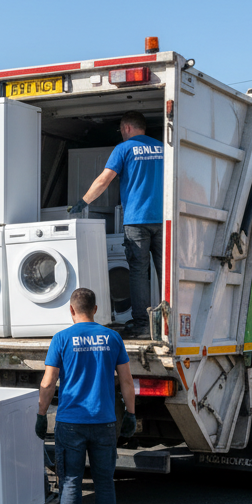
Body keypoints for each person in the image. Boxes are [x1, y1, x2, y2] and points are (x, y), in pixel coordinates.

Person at [37, 287, 135, 504]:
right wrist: (131, 414)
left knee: (71, 482)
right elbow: (126, 381)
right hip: (104, 422)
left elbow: (48, 383)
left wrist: (41, 414)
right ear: (95, 309)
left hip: (71, 423)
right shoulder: (113, 338)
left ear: (71, 311)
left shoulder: (62, 338)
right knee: (105, 483)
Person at [70, 111, 164, 338]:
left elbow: (105, 179)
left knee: (139, 273)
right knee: (166, 273)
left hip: (136, 221)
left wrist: (82, 202)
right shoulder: (163, 147)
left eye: (121, 129)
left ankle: (142, 325)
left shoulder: (124, 149)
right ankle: (167, 323)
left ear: (127, 128)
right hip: (164, 219)